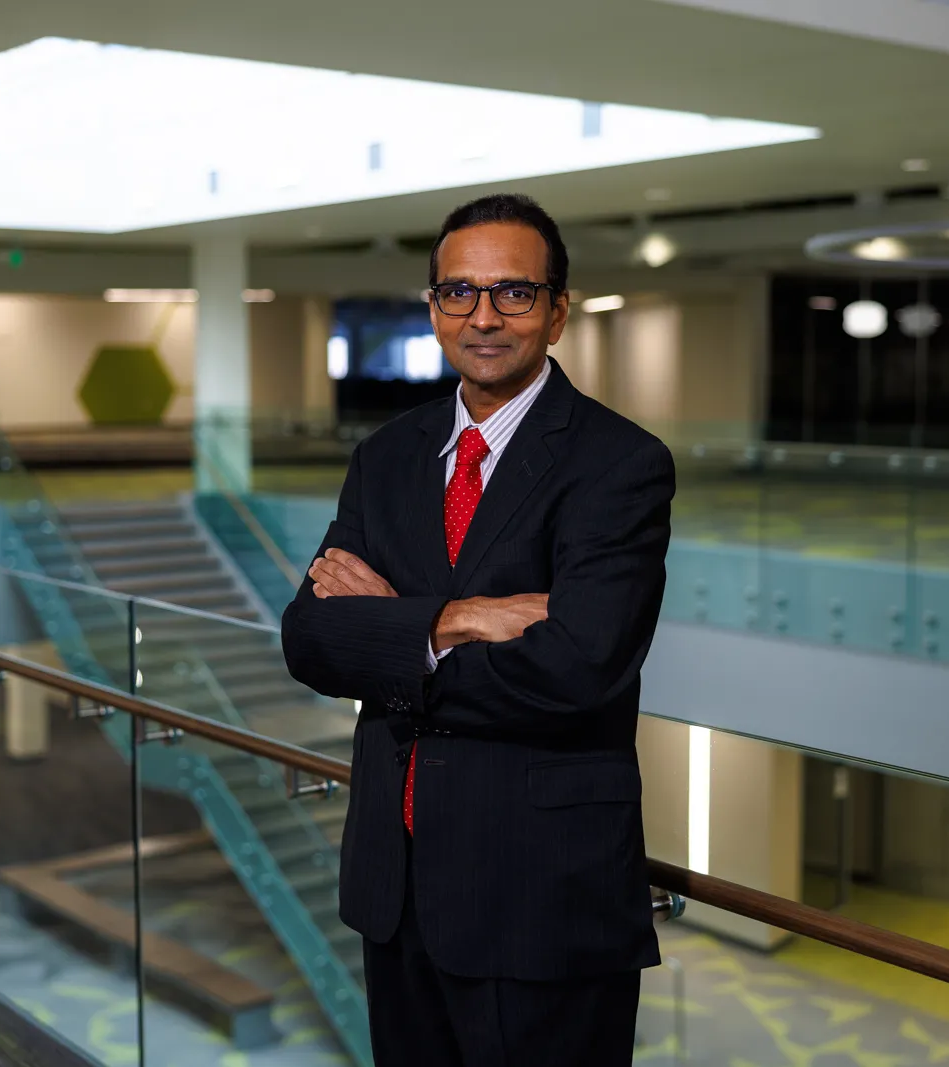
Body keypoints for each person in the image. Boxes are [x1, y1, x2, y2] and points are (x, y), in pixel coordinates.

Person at [280, 192, 675, 1067]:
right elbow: (308, 639)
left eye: (513, 292)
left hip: (541, 898)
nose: (483, 316)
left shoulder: (620, 464)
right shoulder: (385, 457)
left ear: (557, 311)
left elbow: (575, 668)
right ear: (433, 308)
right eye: (458, 292)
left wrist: (390, 633)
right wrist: (454, 620)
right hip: (395, 890)